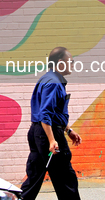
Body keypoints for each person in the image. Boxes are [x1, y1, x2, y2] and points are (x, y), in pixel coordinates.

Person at [20, 46, 82, 200]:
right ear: (60, 63)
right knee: (65, 177)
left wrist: (68, 130)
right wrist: (52, 140)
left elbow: (53, 112)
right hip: (48, 134)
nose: (73, 64)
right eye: (71, 61)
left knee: (34, 178)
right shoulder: (53, 83)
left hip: (37, 133)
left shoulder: (46, 79)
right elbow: (45, 114)